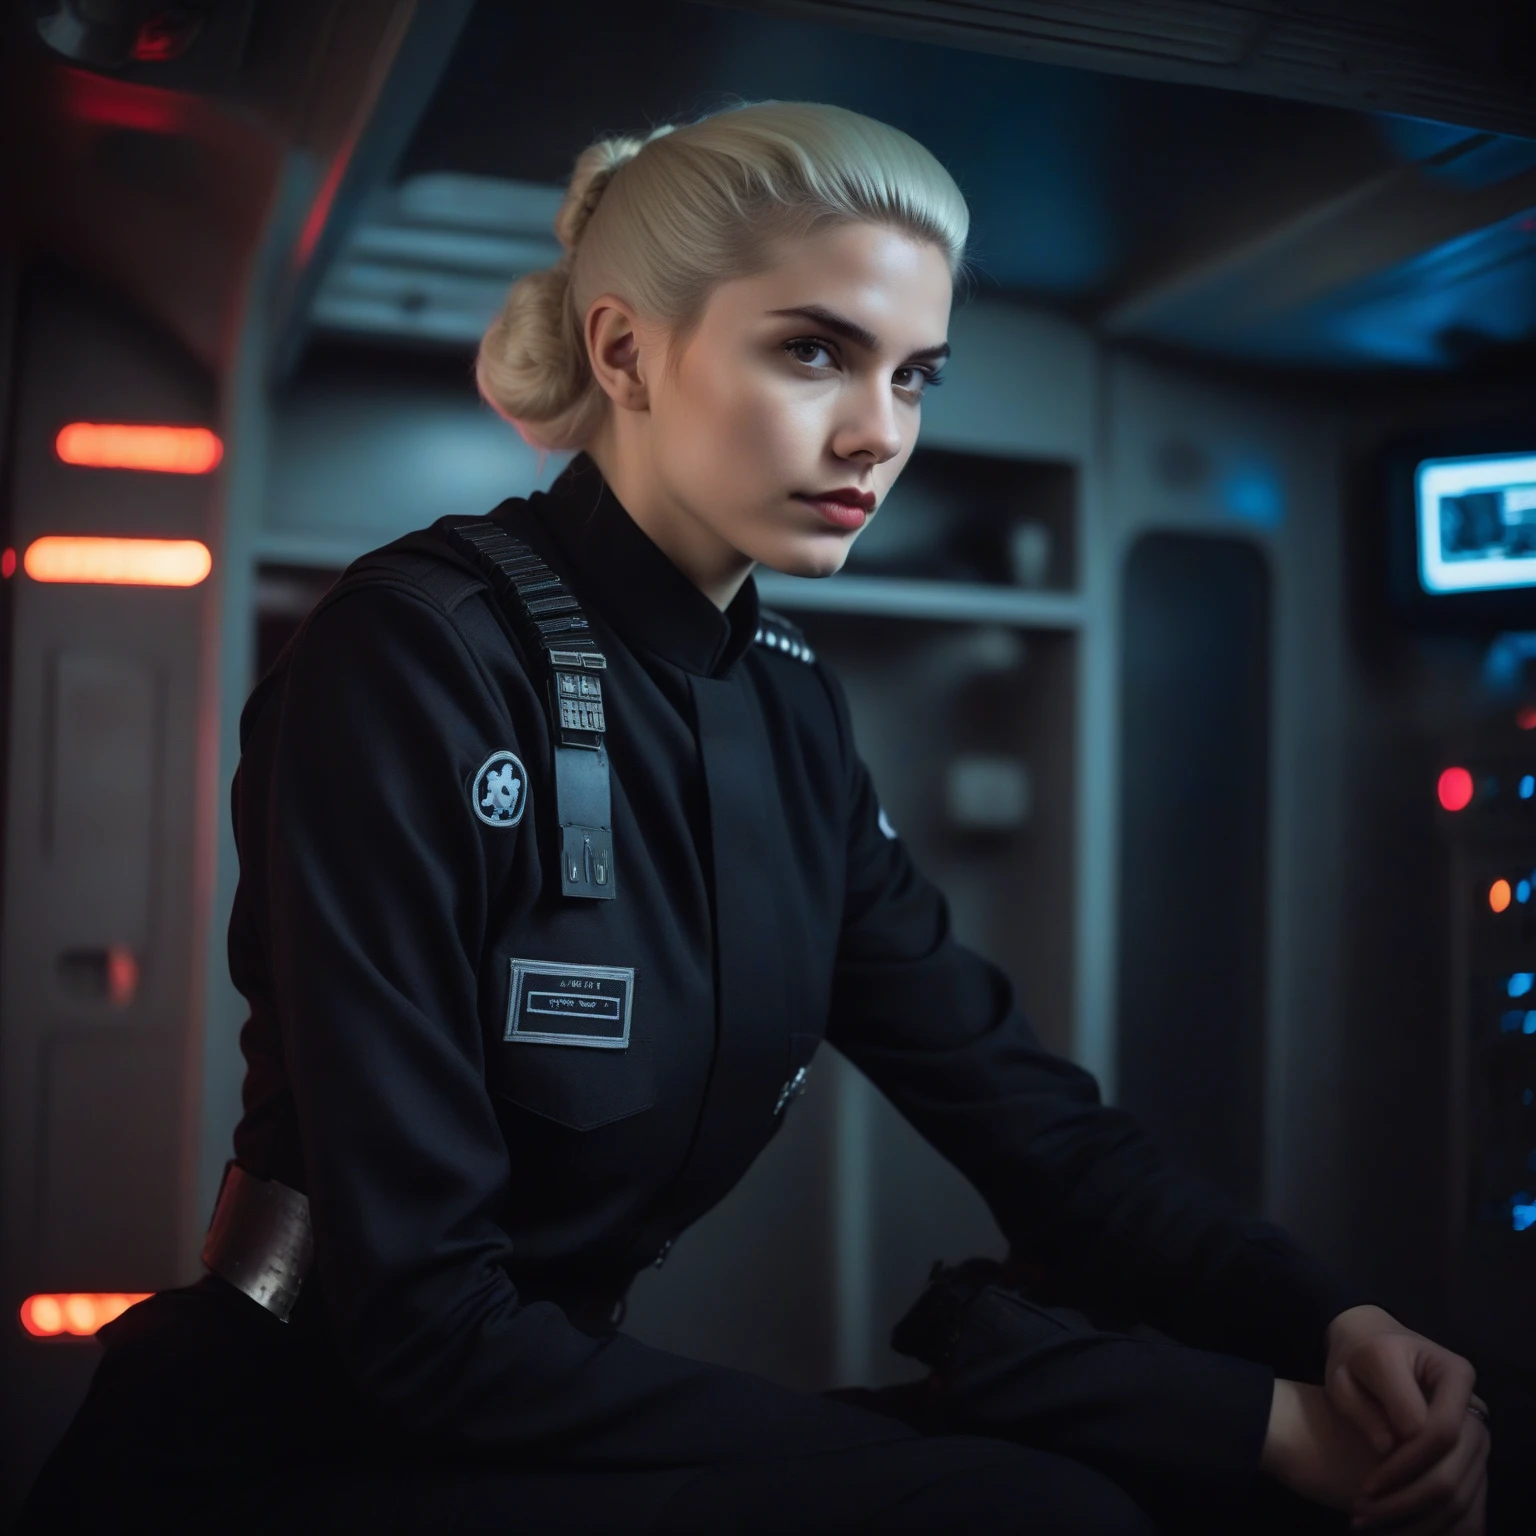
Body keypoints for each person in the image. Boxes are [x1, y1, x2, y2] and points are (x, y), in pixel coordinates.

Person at [22, 101, 1489, 1535]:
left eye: (916, 377)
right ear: (627, 351)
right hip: (284, 1445)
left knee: (1168, 1475)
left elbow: (1040, 1132)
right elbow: (423, 1323)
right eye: (813, 352)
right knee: (1045, 1501)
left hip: (530, 1417)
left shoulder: (791, 713)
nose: (876, 434)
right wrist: (1222, 1421)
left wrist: (1330, 1324)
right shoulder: (414, 656)